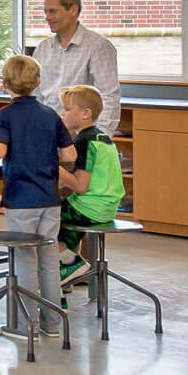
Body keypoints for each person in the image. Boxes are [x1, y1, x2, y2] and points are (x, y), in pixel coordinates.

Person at [0, 54, 76, 335]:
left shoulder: (4, 115)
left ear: (5, 82)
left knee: (25, 260)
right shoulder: (50, 114)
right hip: (49, 199)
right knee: (48, 262)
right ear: (38, 82)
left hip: (21, 200)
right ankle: (52, 324)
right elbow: (69, 154)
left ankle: (25, 325)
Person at [53, 83, 124, 286]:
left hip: (89, 208)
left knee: (44, 219)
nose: (62, 113)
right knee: (61, 229)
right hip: (106, 208)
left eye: (67, 109)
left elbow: (80, 186)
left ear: (86, 113)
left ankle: (73, 264)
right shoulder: (102, 137)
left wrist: (53, 167)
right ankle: (64, 277)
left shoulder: (84, 142)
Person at [33, 0, 120, 137]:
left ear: (73, 10)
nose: (47, 17)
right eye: (45, 12)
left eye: (52, 11)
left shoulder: (98, 46)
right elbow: (36, 94)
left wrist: (102, 137)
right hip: (46, 133)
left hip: (81, 137)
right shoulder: (43, 48)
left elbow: (108, 96)